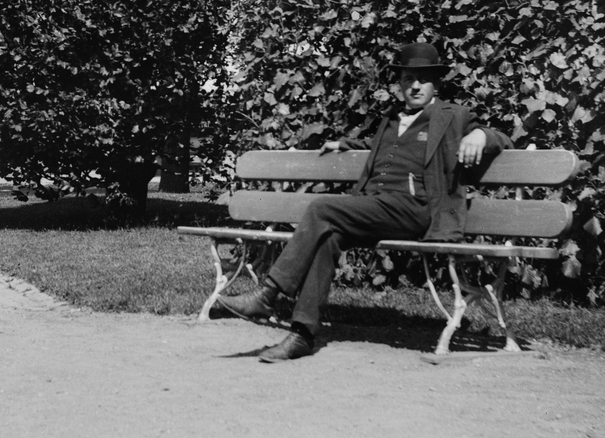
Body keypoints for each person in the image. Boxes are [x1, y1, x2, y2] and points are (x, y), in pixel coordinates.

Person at [216, 42, 512, 362]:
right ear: (400, 83)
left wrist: (481, 136)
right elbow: (382, 148)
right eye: (408, 79)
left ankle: (268, 294)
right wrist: (344, 144)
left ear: (435, 84)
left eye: (423, 80)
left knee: (321, 208)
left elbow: (503, 138)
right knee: (328, 236)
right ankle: (301, 334)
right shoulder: (392, 118)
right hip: (379, 208)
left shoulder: (452, 115)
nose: (415, 86)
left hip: (417, 209)